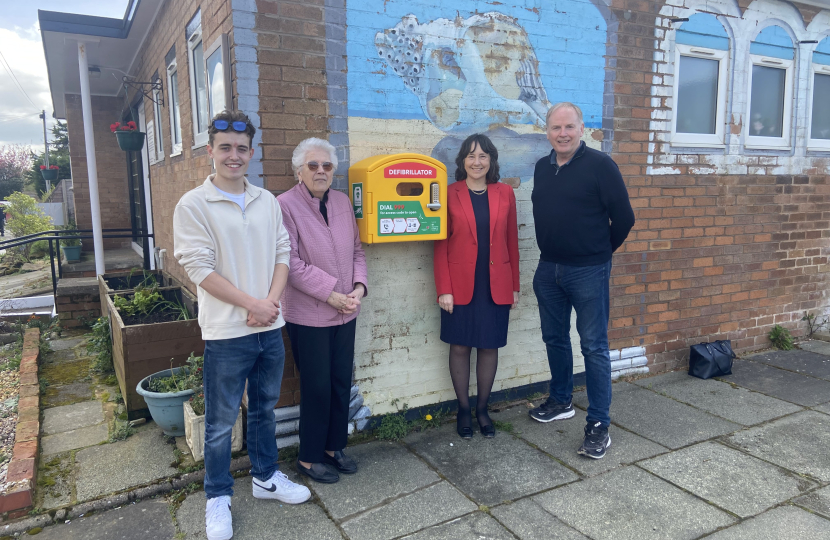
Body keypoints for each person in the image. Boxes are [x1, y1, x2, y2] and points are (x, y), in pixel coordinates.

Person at [173, 110, 310, 540]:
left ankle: (266, 478)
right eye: (225, 148)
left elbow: (282, 253)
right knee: (219, 422)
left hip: (268, 328)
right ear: (210, 152)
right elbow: (200, 269)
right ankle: (217, 498)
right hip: (227, 333)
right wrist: (252, 304)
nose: (234, 156)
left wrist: (268, 304)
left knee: (265, 409)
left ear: (252, 152)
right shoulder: (193, 204)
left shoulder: (265, 200)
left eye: (242, 149)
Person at [529, 102, 635, 460]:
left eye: (569, 127)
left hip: (589, 270)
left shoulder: (601, 166)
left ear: (581, 128)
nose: (562, 134)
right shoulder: (543, 168)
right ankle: (561, 400)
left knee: (593, 345)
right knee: (554, 337)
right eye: (556, 128)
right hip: (548, 269)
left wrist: (600, 253)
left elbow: (624, 218)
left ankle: (599, 424)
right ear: (547, 131)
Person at [278, 138, 368, 484]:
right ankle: (309, 457)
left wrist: (358, 288)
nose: (320, 171)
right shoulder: (284, 205)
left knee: (340, 381)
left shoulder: (343, 202)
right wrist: (331, 294)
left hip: (348, 310)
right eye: (313, 165)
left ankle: (333, 447)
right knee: (316, 386)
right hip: (310, 314)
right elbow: (290, 261)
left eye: (326, 166)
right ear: (298, 170)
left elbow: (357, 251)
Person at [433, 133, 520, 439]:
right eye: (471, 156)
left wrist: (514, 286)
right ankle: (464, 410)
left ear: (491, 161)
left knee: (488, 345)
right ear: (462, 161)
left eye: (483, 156)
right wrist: (444, 287)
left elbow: (512, 241)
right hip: (458, 285)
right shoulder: (448, 193)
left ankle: (482, 409)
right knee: (459, 346)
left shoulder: (505, 193)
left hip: (495, 283)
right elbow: (440, 244)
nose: (477, 162)